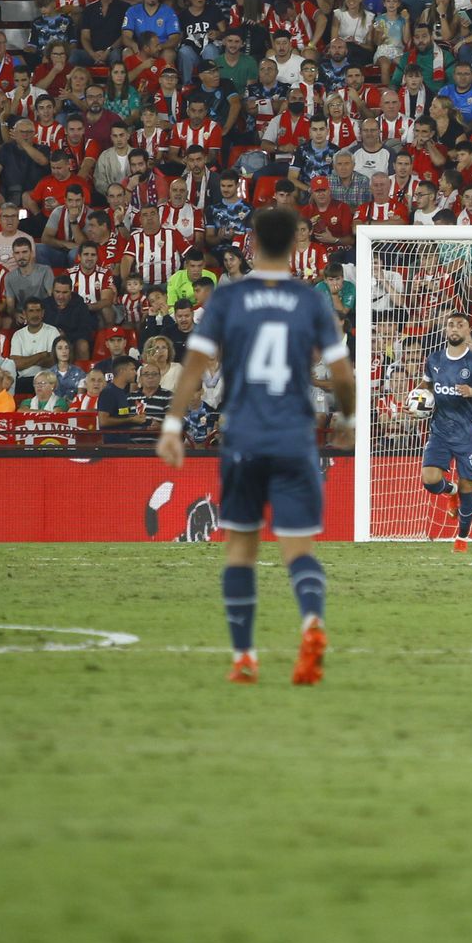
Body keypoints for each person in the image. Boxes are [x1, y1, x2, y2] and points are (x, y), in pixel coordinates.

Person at [156, 207, 356, 687]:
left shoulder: (229, 298)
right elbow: (342, 374)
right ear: (294, 246)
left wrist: (172, 425)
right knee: (298, 548)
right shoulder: (309, 300)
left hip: (244, 435)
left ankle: (245, 656)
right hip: (294, 437)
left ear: (253, 244)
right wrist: (348, 419)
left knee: (241, 549)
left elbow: (194, 365)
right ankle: (312, 621)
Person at [416, 311, 472, 553]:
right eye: (451, 324)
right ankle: (449, 490)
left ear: (467, 330)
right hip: (440, 432)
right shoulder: (434, 359)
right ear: (446, 329)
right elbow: (426, 386)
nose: (454, 328)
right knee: (430, 480)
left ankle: (462, 538)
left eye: (460, 325)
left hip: (468, 435)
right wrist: (415, 401)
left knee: (467, 486)